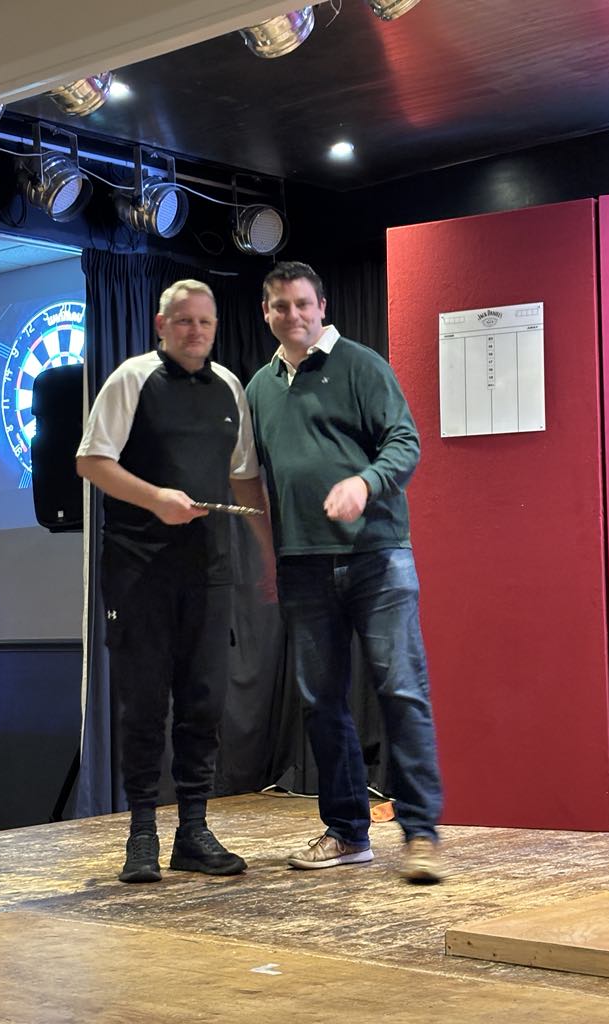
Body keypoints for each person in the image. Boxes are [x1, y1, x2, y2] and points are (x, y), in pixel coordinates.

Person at [246, 261, 444, 883]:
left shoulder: (361, 365)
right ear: (266, 313)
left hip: (378, 558)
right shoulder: (259, 388)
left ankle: (420, 834)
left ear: (322, 307)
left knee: (402, 692)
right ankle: (348, 832)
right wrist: (270, 555)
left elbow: (405, 443)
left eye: (303, 304)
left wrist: (365, 482)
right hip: (302, 566)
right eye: (280, 306)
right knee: (321, 704)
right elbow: (257, 477)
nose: (293, 315)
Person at [76, 279, 273, 884]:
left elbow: (243, 474)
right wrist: (155, 498)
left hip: (209, 570)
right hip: (139, 568)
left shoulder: (229, 387)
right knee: (142, 703)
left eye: (205, 322)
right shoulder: (132, 379)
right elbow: (91, 460)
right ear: (161, 325)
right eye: (184, 321)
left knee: (203, 702)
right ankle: (141, 832)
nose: (196, 331)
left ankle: (193, 830)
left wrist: (270, 551)